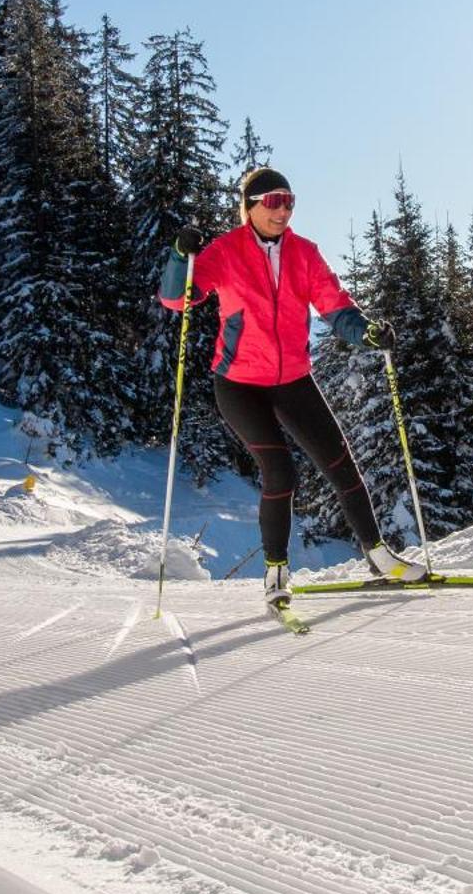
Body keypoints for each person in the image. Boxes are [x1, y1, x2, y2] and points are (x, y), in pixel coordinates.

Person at [158, 167, 428, 612]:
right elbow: (178, 298)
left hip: (293, 379)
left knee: (340, 462)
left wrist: (368, 333)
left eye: (288, 201)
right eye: (272, 201)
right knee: (281, 472)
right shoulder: (226, 252)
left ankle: (380, 558)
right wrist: (177, 257)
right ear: (249, 207)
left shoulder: (305, 253)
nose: (282, 210)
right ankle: (276, 571)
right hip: (240, 385)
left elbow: (335, 306)